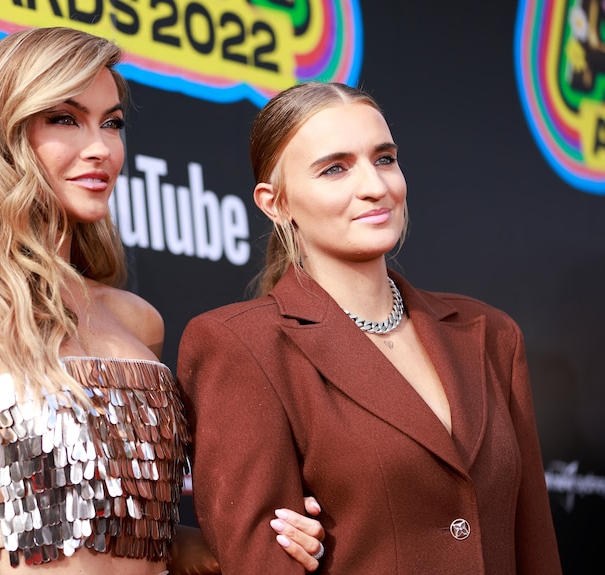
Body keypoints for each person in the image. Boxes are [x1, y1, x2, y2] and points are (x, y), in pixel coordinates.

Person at [0, 26, 324, 575]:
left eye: (111, 123)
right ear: (1, 133)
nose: (100, 148)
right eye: (65, 119)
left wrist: (261, 535)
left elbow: (134, 535)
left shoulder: (138, 321)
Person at [177, 81, 563, 574]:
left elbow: (535, 547)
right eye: (335, 168)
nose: (375, 186)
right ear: (276, 203)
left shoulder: (490, 334)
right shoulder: (241, 347)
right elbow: (259, 563)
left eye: (384, 159)